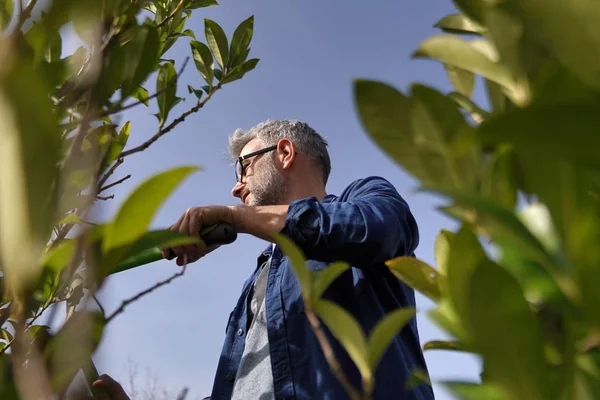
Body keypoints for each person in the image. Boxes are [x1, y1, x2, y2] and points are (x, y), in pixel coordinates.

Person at [89, 120, 434, 400]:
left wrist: (236, 218)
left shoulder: (365, 195)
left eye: (244, 167)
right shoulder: (259, 280)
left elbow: (376, 230)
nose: (236, 189)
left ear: (284, 152)